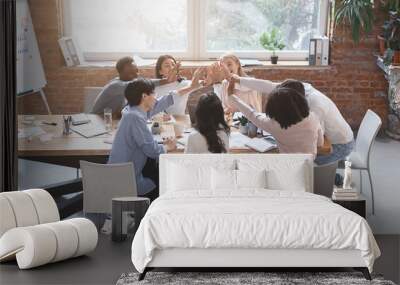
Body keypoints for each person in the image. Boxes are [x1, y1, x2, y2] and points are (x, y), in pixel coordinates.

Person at [228, 75, 354, 164]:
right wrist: (239, 80)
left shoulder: (315, 107)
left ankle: (330, 177)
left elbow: (321, 146)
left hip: (339, 144)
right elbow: (268, 86)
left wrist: (231, 96)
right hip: (307, 158)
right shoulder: (297, 91)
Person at [108, 78, 177, 201]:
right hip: (128, 181)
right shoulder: (135, 117)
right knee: (169, 179)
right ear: (144, 96)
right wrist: (168, 146)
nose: (156, 98)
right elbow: (152, 150)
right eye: (154, 94)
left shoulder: (130, 111)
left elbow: (156, 107)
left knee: (155, 167)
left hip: (118, 173)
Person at [228, 80, 324, 159]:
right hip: (308, 170)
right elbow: (320, 143)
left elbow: (252, 114)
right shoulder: (313, 118)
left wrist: (231, 96)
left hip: (284, 168)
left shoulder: (272, 125)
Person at [90, 56, 175, 116]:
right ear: (123, 73)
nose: (137, 75)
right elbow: (141, 84)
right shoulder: (116, 85)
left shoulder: (126, 80)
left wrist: (167, 80)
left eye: (137, 71)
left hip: (112, 118)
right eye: (133, 73)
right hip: (98, 119)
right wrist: (166, 80)